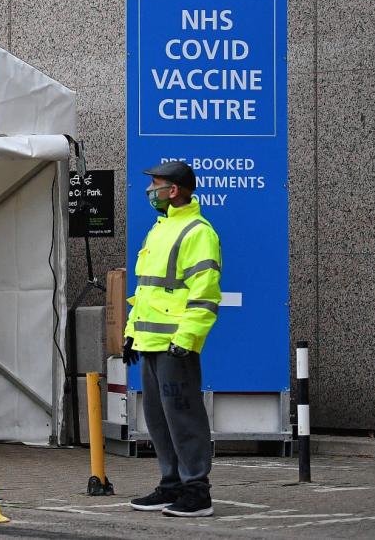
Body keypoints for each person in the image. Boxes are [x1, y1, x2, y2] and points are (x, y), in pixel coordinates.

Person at [124, 160, 222, 518]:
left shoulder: (198, 232)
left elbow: (205, 294)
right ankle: (171, 486)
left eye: (156, 184)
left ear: (174, 190)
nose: (151, 190)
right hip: (151, 343)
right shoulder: (160, 229)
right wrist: (131, 334)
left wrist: (187, 338)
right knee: (158, 419)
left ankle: (197, 491)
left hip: (174, 345)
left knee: (184, 417)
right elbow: (146, 291)